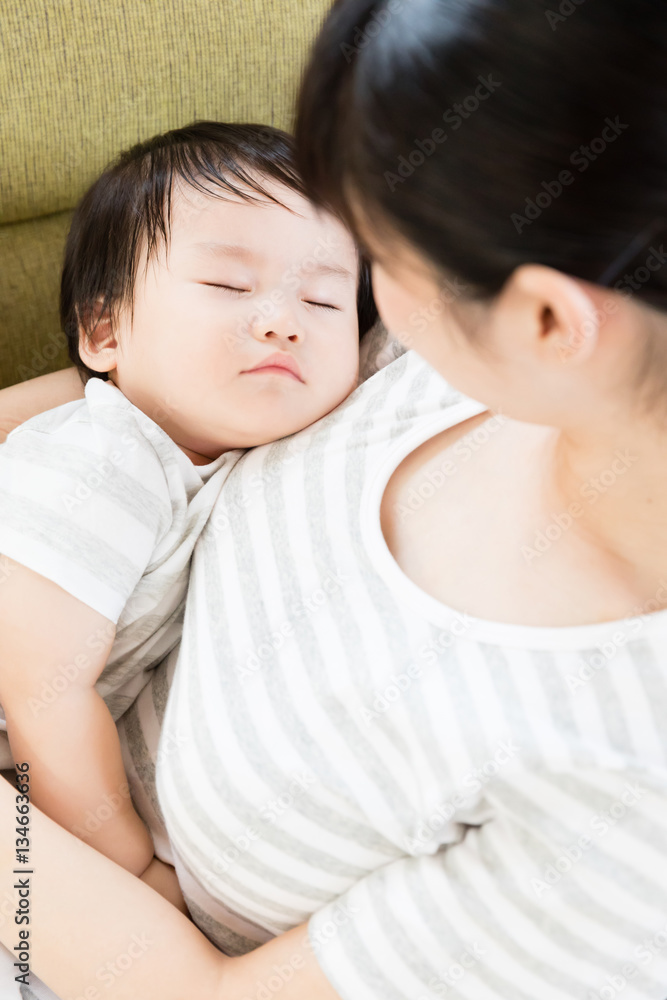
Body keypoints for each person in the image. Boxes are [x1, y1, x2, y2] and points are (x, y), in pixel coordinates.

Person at [1, 1, 667, 998]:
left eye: (366, 267)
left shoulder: (619, 835)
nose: (303, 318)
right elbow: (146, 388)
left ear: (544, 319)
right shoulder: (444, 348)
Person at [0, 120, 375, 916]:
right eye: (227, 287)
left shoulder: (221, 464)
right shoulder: (103, 462)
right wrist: (127, 866)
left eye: (322, 298)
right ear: (104, 331)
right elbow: (41, 688)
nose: (282, 319)